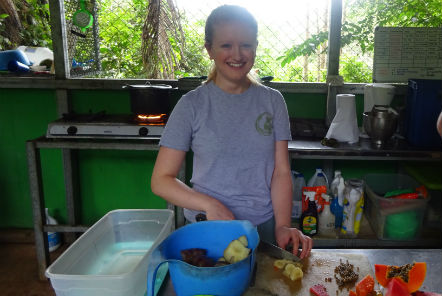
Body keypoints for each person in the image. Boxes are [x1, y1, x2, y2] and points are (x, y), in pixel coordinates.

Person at [151, 4, 312, 259]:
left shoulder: (273, 101)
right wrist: (209, 204)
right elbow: (161, 180)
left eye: (246, 45)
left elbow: (280, 171)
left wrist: (282, 225)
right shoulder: (192, 105)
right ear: (209, 50)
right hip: (207, 227)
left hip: (263, 227)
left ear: (255, 47)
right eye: (226, 45)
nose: (237, 54)